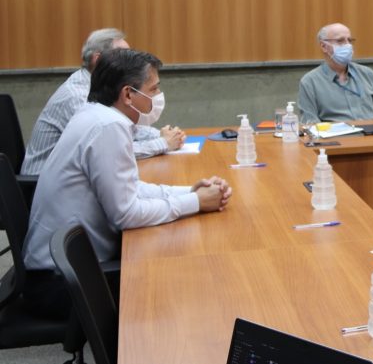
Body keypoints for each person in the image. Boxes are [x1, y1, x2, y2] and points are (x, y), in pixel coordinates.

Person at [22, 48, 232, 319]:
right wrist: (195, 203)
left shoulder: (95, 114)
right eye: (153, 89)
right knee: (184, 283)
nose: (157, 96)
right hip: (62, 285)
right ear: (128, 94)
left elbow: (131, 187)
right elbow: (127, 213)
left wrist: (191, 191)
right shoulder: (108, 127)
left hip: (64, 272)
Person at [21, 28, 185, 175]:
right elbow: (112, 150)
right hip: (41, 182)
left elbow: (128, 133)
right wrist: (162, 143)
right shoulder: (78, 96)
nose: (131, 63)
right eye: (122, 56)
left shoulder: (99, 86)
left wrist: (164, 135)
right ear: (98, 60)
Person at [299, 23, 373, 124]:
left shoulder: (367, 74)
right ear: (324, 46)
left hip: (372, 132)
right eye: (340, 41)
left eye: (350, 40)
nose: (348, 45)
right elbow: (310, 123)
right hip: (335, 133)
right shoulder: (310, 82)